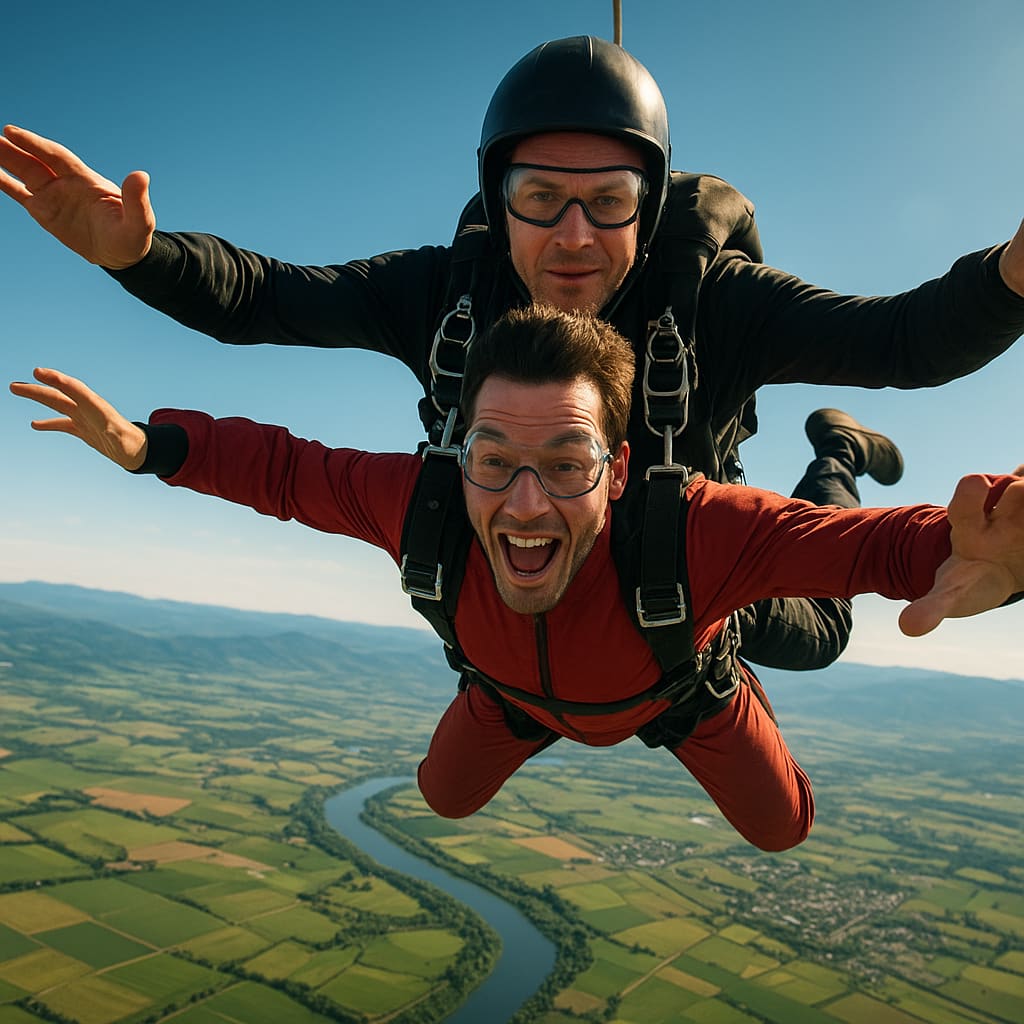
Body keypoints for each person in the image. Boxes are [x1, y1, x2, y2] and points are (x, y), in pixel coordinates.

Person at [2, 36, 1024, 676]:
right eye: (540, 197)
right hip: (537, 543)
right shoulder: (446, 294)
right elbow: (266, 299)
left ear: (650, 202)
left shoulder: (716, 302)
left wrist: (1013, 276)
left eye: (611, 201)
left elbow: (906, 340)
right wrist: (142, 256)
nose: (573, 234)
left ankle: (834, 453)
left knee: (813, 643)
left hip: (683, 536)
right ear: (498, 200)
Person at [11, 305, 1024, 851]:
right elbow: (286, 470)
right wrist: (154, 446)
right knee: (440, 799)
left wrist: (991, 559)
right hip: (513, 693)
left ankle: (833, 449)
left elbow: (880, 551)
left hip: (679, 689)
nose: (526, 502)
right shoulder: (427, 504)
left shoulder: (695, 530)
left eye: (569, 464)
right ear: (460, 458)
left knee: (783, 821)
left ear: (620, 470)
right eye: (494, 459)